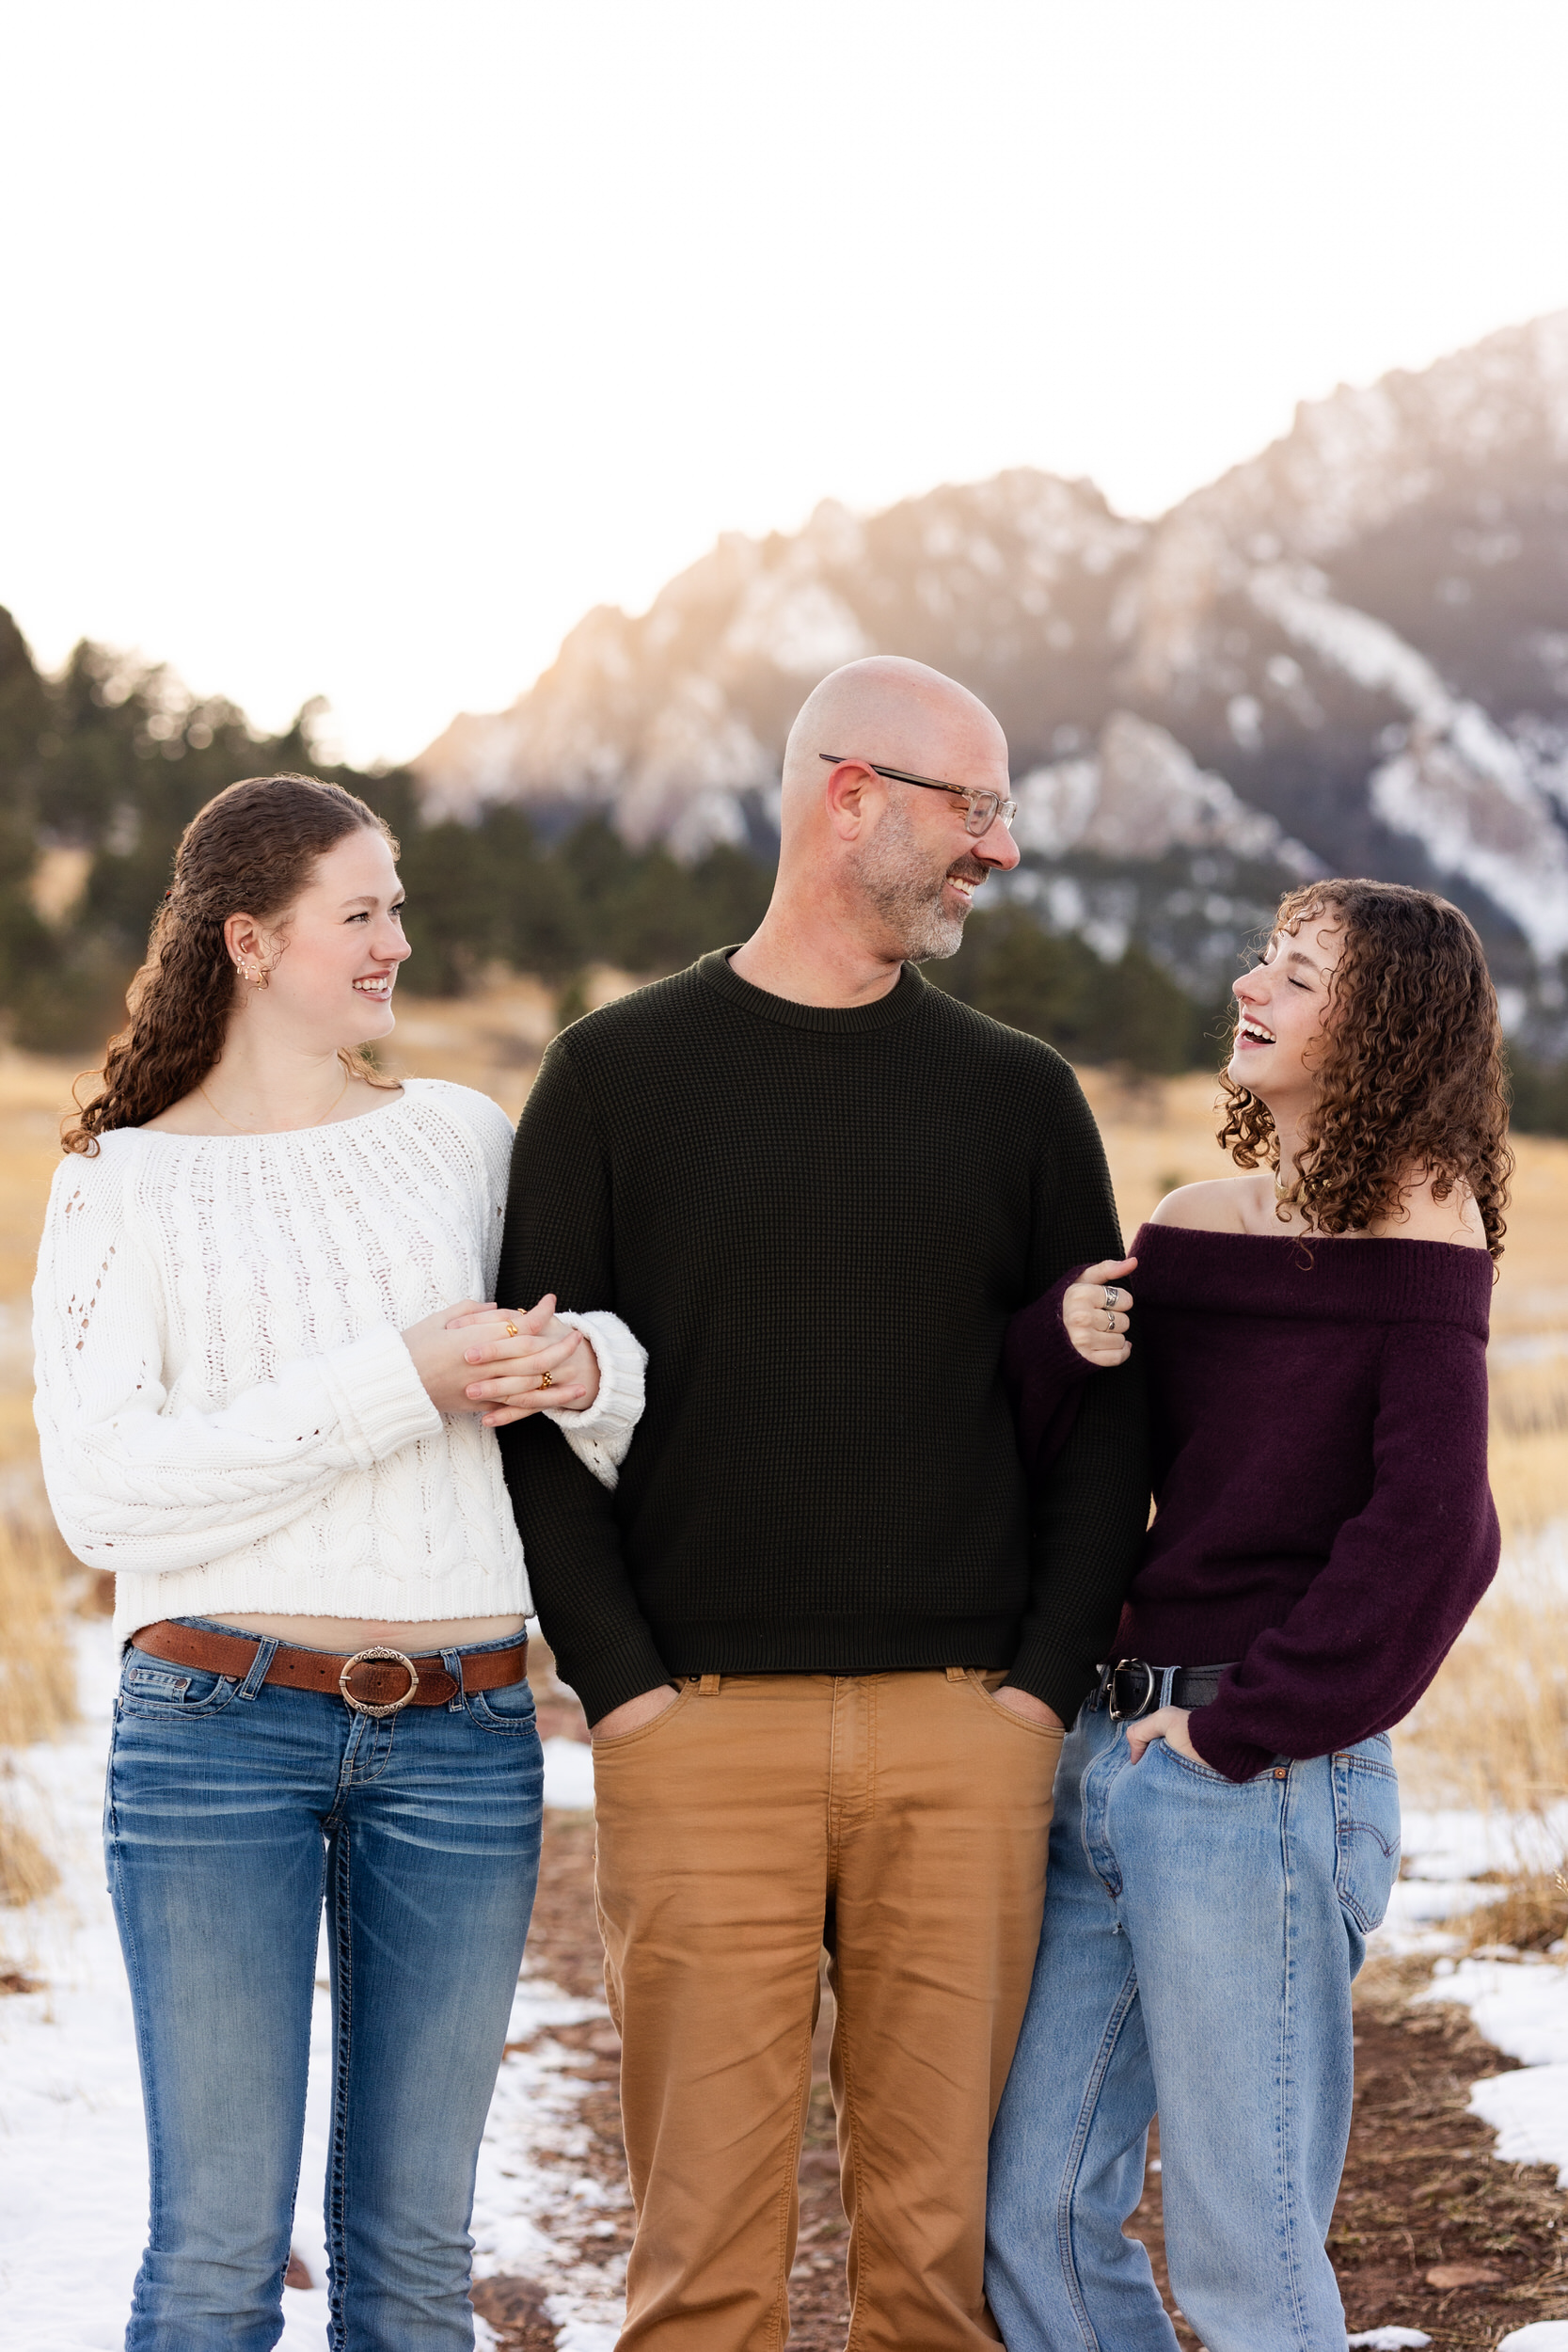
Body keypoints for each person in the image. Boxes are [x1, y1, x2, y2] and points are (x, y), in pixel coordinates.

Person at [497, 656, 1149, 2352]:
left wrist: (1035, 1697)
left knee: (936, 2276)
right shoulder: (614, 1077)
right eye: (975, 810)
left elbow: (1099, 1419)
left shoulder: (1018, 1097)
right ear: (849, 793)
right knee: (701, 2276)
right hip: (696, 1731)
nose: (998, 853)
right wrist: (624, 1689)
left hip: (965, 1737)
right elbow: (531, 1417)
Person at [31, 772, 647, 2351]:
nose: (398, 941)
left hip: (465, 1736)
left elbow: (604, 1356)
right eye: (360, 911)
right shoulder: (120, 1180)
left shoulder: (457, 1136)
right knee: (218, 2261)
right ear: (249, 938)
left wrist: (581, 1368)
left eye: (398, 907)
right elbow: (104, 1498)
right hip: (215, 1732)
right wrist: (399, 1383)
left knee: (416, 2267)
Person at [986, 880, 1508, 2352]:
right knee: (1028, 2217)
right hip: (1117, 1750)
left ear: (1387, 1025)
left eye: (1299, 971)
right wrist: (1060, 1341)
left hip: (1262, 1775)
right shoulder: (1193, 1228)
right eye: (1261, 957)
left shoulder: (1424, 1225)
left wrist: (1240, 1732)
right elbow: (1092, 1469)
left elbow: (1436, 1533)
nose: (1250, 986)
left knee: (1244, 2249)